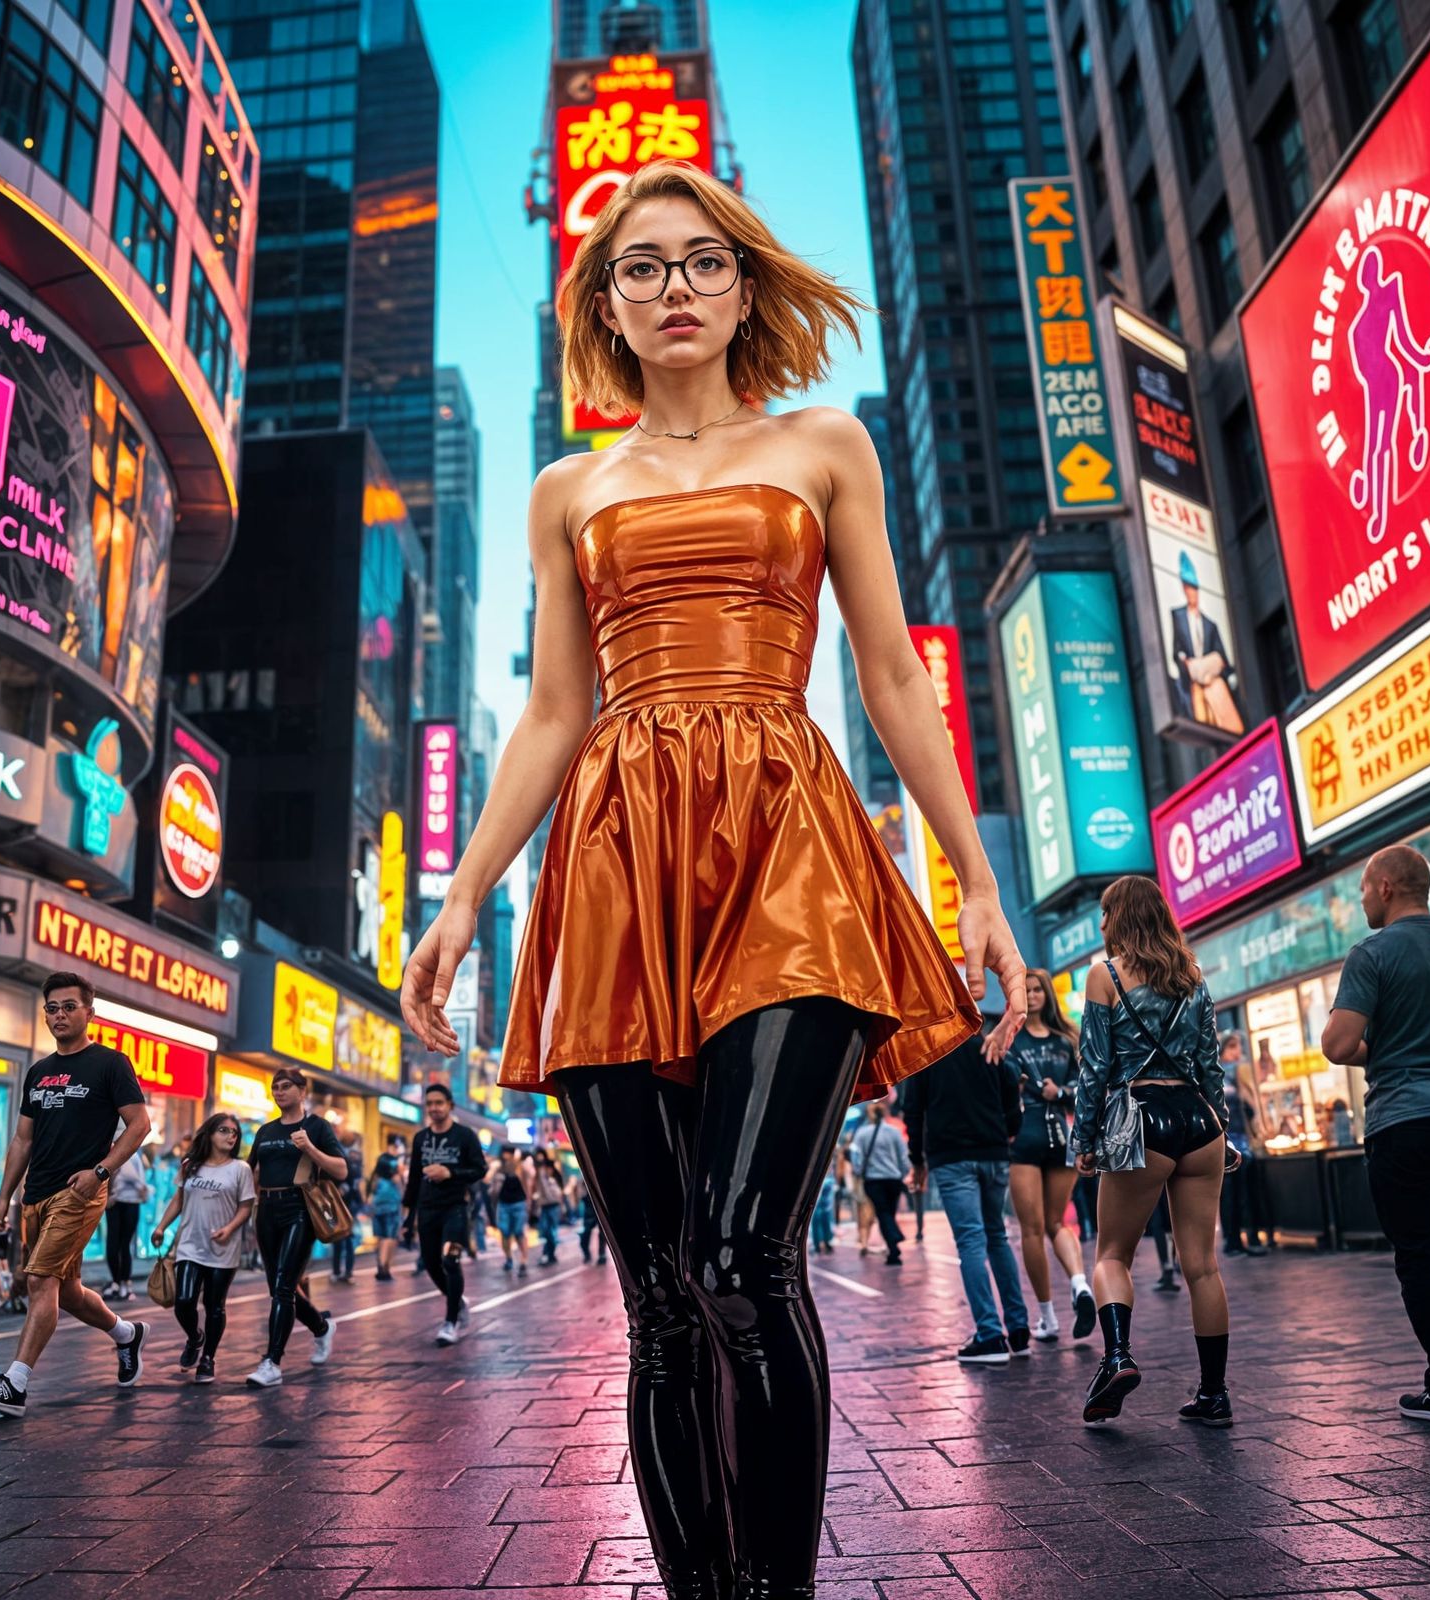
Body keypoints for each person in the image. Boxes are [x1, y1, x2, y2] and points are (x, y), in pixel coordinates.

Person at [400, 159, 1026, 1599]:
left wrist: (974, 880)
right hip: (617, 864)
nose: (673, 285)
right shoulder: (570, 487)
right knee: (662, 1301)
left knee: (744, 1256)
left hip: (788, 846)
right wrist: (461, 896)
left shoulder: (825, 446)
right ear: (604, 307)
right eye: (642, 266)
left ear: (743, 287)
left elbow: (891, 674)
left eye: (701, 260)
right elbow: (554, 713)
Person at [1072, 877, 1232, 1429]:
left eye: (1104, 912)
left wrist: (1084, 1140)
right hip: (1200, 1123)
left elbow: (1094, 1068)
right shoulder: (1192, 975)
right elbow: (1210, 1066)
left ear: (1118, 917)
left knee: (1112, 1256)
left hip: (1140, 1123)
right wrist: (1224, 1130)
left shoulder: (1105, 975)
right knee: (1203, 1266)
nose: (1100, 923)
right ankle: (1214, 1394)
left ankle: (1118, 1358)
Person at [0, 972, 151, 1417]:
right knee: (66, 1290)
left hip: (79, 1192)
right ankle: (126, 1334)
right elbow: (22, 1139)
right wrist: (4, 1196)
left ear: (89, 1013)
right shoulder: (39, 1072)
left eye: (69, 1006)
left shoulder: (110, 1064)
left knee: (39, 1280)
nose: (59, 1015)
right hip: (36, 1194)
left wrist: (100, 1172)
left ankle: (15, 1384)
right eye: (52, 1008)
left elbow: (139, 1125)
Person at [1322, 845, 1430, 1425]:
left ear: (1384, 887)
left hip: (1403, 1123)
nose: (1360, 902)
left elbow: (1337, 1044)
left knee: (1421, 1254)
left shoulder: (1371, 953)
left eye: (1361, 890)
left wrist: (1381, 1049)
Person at [903, 1030, 1029, 1363]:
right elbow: (1012, 1095)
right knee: (997, 1236)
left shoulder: (927, 1050)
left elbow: (913, 1110)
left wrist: (917, 1160)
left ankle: (989, 1335)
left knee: (971, 1241)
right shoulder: (988, 1042)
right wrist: (1007, 1133)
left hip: (952, 1157)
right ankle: (1019, 1330)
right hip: (994, 1152)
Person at [987, 967, 1094, 1343]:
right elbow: (1085, 1088)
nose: (1032, 996)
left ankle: (1048, 1317)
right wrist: (1061, 1093)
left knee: (1033, 1229)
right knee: (1056, 1223)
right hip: (1060, 1136)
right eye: (1027, 990)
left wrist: (1055, 1092)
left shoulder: (1011, 1040)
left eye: (1037, 990)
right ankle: (1079, 1284)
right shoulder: (1066, 1039)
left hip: (1026, 1138)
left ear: (1047, 994)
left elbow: (1082, 1088)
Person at [244, 1068, 347, 1388]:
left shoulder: (317, 1126)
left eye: (286, 1086)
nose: (279, 1092)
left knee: (284, 1287)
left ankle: (272, 1362)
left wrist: (310, 1149)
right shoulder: (266, 1130)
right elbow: (247, 1171)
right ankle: (321, 1328)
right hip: (266, 1210)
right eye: (275, 1087)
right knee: (278, 1288)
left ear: (303, 1091)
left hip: (300, 1209)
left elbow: (341, 1170)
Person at [150, 1113, 254, 1382]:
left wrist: (229, 1228)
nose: (231, 1136)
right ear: (209, 1134)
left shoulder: (240, 1169)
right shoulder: (190, 1165)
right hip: (190, 1244)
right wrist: (161, 1227)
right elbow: (178, 1199)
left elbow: (246, 1207)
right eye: (224, 1130)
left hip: (223, 1247)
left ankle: (208, 1358)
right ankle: (195, 1337)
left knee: (214, 1305)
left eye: (234, 1132)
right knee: (183, 1302)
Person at [403, 1081, 487, 1345]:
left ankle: (450, 1322)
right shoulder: (421, 1138)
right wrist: (408, 1218)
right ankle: (457, 1301)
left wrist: (450, 1172)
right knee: (431, 1264)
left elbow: (480, 1169)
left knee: (450, 1260)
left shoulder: (465, 1135)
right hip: (427, 1209)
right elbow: (414, 1179)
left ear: (450, 1105)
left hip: (455, 1208)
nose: (434, 1108)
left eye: (439, 1103)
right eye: (429, 1103)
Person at [1169, 553, 1241, 734]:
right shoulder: (1177, 616)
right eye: (1188, 587)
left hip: (1211, 676)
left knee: (1215, 677)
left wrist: (1211, 671)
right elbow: (1175, 653)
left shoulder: (1210, 624)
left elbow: (1223, 659)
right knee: (1201, 713)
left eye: (1194, 588)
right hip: (1191, 677)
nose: (1191, 592)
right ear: (1184, 589)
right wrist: (1188, 665)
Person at [1218, 1034, 1267, 1256]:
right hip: (1228, 1142)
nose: (1237, 1052)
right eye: (1232, 1047)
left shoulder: (1240, 1074)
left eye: (1238, 1047)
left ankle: (1250, 1237)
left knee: (1247, 1192)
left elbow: (1250, 1109)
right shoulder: (1222, 1076)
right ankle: (1233, 1240)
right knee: (1231, 1193)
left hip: (1243, 1140)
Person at [848, 1102, 910, 1266]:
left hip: (873, 1180)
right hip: (893, 1179)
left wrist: (858, 1171)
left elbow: (856, 1156)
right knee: (889, 1213)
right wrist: (904, 1173)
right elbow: (903, 1156)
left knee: (883, 1213)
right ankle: (893, 1252)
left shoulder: (862, 1133)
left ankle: (894, 1240)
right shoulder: (894, 1132)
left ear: (870, 1115)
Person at [102, 1147, 149, 1302]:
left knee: (124, 1244)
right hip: (114, 1202)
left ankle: (124, 1283)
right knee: (113, 1243)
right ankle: (116, 1281)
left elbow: (141, 1181)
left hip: (131, 1202)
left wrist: (142, 1190)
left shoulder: (134, 1156)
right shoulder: (111, 1154)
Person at [492, 1145, 532, 1277]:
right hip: (503, 1204)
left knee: (519, 1233)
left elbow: (528, 1183)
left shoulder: (520, 1167)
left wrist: (529, 1202)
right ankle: (509, 1258)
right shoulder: (499, 1167)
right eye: (505, 1153)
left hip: (519, 1203)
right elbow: (489, 1182)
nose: (506, 1155)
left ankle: (523, 1262)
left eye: (508, 1153)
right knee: (504, 1233)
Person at [331, 1128, 366, 1283]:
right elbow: (357, 1179)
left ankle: (341, 1271)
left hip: (344, 1200)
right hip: (346, 1201)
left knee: (341, 1238)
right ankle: (344, 1271)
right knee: (344, 1238)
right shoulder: (351, 1154)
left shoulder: (344, 1153)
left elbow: (355, 1179)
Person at [370, 1141, 403, 1281]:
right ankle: (384, 1267)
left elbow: (371, 1193)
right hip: (392, 1208)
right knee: (389, 1237)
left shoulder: (376, 1178)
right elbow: (401, 1192)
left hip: (378, 1209)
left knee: (380, 1237)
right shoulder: (394, 1178)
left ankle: (381, 1264)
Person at [533, 1146, 565, 1265]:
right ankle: (549, 1254)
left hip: (553, 1206)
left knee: (551, 1232)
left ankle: (549, 1254)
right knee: (546, 1231)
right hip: (545, 1206)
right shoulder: (539, 1173)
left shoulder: (552, 1177)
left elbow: (558, 1192)